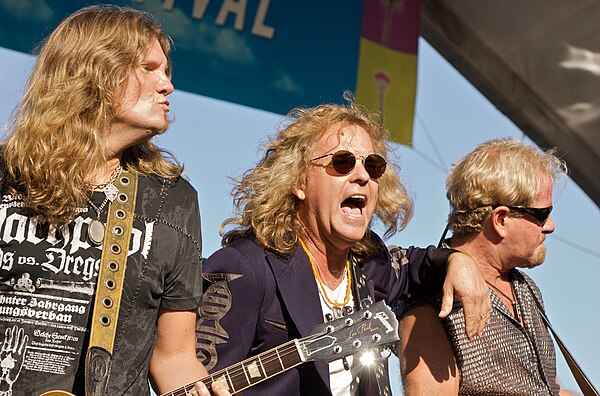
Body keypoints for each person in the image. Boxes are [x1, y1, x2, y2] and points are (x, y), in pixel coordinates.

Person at [0, 5, 228, 396]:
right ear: (95, 73)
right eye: (148, 68)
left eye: (167, 71)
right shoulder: (6, 174)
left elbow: (173, 356)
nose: (167, 85)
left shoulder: (173, 200)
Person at [195, 97, 491, 395]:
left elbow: (419, 265)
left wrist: (458, 261)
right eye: (342, 162)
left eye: (373, 166)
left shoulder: (369, 264)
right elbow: (196, 380)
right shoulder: (244, 268)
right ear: (298, 181)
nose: (362, 176)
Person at [396, 138, 577, 395]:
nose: (550, 226)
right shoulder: (431, 302)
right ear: (501, 219)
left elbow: (545, 389)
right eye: (542, 215)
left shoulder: (525, 288)